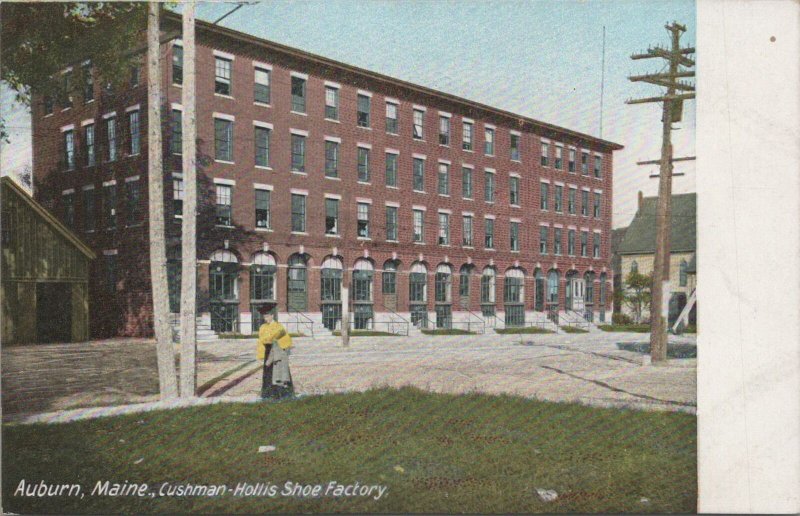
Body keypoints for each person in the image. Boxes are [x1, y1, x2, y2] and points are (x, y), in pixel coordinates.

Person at [256, 303, 294, 399]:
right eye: (264, 317)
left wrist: (271, 339)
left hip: (277, 352)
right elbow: (261, 340)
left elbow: (279, 337)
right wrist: (261, 354)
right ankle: (268, 394)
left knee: (279, 372)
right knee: (268, 373)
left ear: (272, 315)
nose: (266, 318)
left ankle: (282, 394)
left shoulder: (279, 326)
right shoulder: (263, 327)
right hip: (267, 351)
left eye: (268, 316)